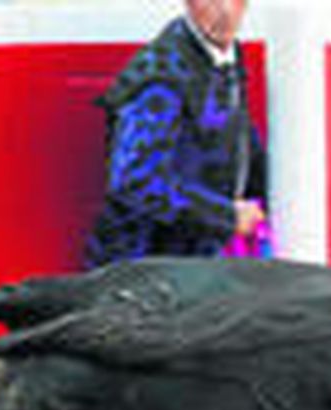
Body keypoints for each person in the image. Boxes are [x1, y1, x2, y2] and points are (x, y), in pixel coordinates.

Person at [84, 0, 266, 268]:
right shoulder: (161, 75)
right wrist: (226, 217)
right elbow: (135, 182)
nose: (225, 11)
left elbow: (239, 138)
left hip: (188, 262)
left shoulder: (223, 56)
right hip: (142, 266)